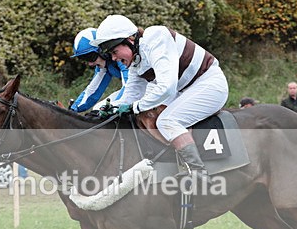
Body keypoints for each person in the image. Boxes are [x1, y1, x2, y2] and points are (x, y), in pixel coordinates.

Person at [91, 14, 229, 183]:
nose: (113, 58)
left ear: (129, 40)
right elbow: (131, 95)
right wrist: (111, 107)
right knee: (150, 117)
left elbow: (166, 87)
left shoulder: (156, 37)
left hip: (209, 84)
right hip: (187, 90)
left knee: (167, 121)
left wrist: (135, 107)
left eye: (114, 51)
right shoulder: (136, 61)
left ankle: (198, 173)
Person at [69, 27, 129, 112]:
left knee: (112, 110)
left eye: (90, 57)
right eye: (85, 59)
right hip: (137, 88)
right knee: (99, 108)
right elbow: (92, 91)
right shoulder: (103, 65)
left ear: (102, 51)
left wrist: (114, 106)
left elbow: (129, 86)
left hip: (150, 87)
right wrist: (73, 109)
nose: (90, 64)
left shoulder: (121, 58)